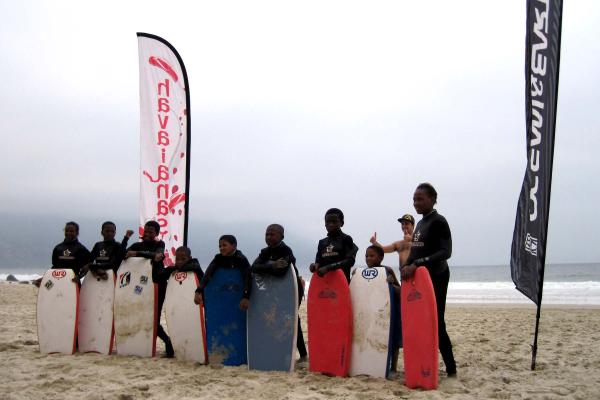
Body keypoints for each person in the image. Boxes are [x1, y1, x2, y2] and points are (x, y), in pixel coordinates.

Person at [401, 182, 457, 377]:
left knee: (436, 322)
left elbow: (446, 252)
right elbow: (415, 252)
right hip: (419, 279)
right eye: (414, 199)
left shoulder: (438, 221)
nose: (416, 203)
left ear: (432, 200)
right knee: (419, 321)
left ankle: (451, 369)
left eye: (420, 199)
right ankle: (424, 362)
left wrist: (418, 264)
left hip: (437, 276)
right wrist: (406, 266)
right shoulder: (421, 224)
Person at [250, 224, 308, 361]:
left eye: (272, 234)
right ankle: (278, 349)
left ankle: (303, 354)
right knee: (274, 316)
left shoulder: (285, 250)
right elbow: (254, 267)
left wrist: (267, 267)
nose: (268, 237)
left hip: (292, 289)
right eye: (267, 234)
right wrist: (272, 265)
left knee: (292, 318)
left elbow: (281, 272)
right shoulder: (265, 252)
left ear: (282, 236)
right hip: (275, 290)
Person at [125, 220, 174, 358]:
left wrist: (136, 254)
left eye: (151, 232)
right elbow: (123, 255)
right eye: (145, 231)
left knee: (154, 318)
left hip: (158, 283)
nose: (147, 234)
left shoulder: (160, 244)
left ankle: (167, 340)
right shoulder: (136, 245)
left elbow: (158, 257)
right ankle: (145, 343)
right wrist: (126, 239)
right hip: (140, 285)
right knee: (142, 315)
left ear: (157, 233)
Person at [352, 245, 401, 372]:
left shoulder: (387, 270)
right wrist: (355, 277)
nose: (368, 258)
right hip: (371, 311)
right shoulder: (361, 272)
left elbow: (400, 291)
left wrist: (391, 283)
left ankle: (393, 368)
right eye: (366, 256)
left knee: (393, 339)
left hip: (389, 311)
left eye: (372, 256)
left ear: (381, 257)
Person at [194, 235, 251, 311]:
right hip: (222, 295)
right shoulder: (218, 259)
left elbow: (248, 278)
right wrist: (199, 291)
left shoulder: (241, 259)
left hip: (238, 297)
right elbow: (207, 274)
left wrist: (246, 297)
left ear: (234, 246)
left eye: (224, 245)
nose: (221, 248)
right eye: (220, 246)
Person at [34, 221, 90, 287]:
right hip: (57, 282)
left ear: (77, 233)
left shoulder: (81, 249)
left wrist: (79, 276)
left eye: (71, 231)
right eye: (66, 231)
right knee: (45, 288)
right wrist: (44, 279)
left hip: (73, 283)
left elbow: (89, 265)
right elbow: (55, 268)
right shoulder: (58, 248)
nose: (68, 233)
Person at [309, 208, 358, 283]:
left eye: (334, 222)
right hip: (324, 284)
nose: (331, 224)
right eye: (328, 222)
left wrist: (328, 268)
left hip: (341, 284)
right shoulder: (322, 242)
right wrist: (314, 266)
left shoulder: (346, 239)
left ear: (342, 223)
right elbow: (318, 262)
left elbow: (350, 261)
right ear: (325, 224)